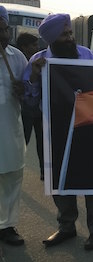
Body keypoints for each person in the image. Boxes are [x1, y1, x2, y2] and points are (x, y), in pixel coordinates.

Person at [22, 13, 93, 250]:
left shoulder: (87, 55)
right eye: (64, 35)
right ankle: (66, 226)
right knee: (59, 179)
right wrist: (36, 77)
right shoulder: (38, 61)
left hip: (88, 127)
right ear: (51, 40)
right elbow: (29, 102)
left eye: (70, 33)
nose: (70, 38)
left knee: (92, 179)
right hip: (54, 130)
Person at [0, 5, 27, 246]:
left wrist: (24, 90)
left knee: (11, 180)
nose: (1, 35)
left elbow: (32, 92)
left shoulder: (17, 58)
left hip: (10, 133)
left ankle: (7, 226)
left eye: (3, 29)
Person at [16, 33, 43, 180]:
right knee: (23, 141)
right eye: (33, 45)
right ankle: (17, 167)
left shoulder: (40, 61)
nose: (36, 48)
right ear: (24, 47)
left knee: (42, 142)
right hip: (24, 110)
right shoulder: (18, 62)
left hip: (38, 109)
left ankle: (44, 172)